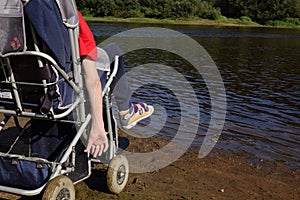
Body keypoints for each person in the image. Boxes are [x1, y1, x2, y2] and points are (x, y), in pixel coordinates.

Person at [77, 12, 154, 158]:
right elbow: (92, 81)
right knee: (113, 50)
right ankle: (126, 110)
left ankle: (126, 107)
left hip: (32, 88)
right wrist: (98, 125)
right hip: (68, 82)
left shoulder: (24, 15)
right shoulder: (68, 14)